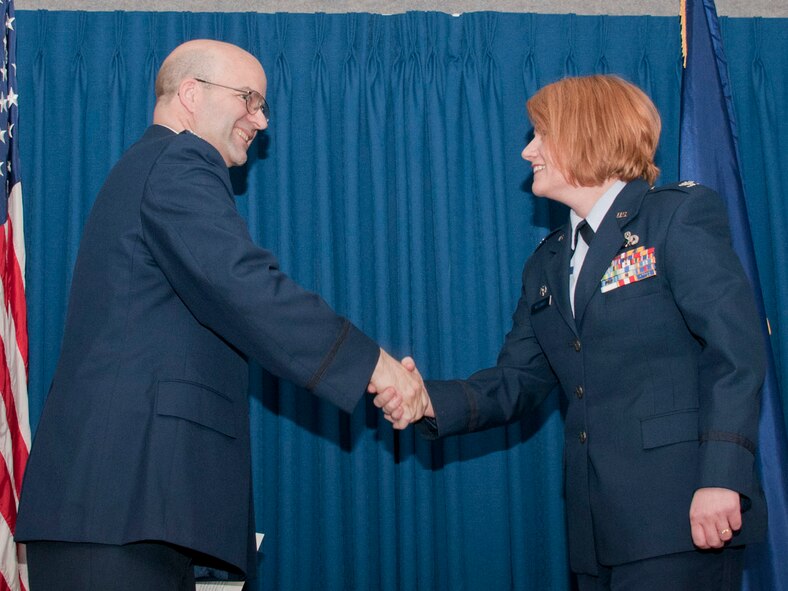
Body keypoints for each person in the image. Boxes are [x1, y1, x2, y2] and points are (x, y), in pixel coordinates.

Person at [16, 39, 428, 591]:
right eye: (250, 98)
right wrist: (377, 367)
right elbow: (247, 289)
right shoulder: (178, 161)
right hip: (118, 512)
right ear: (190, 94)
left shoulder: (151, 167)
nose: (261, 118)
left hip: (120, 513)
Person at [375, 75, 767, 590]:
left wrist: (721, 476)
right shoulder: (548, 261)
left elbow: (734, 351)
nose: (526, 151)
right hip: (597, 530)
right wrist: (427, 400)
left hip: (683, 515)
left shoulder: (675, 217)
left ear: (588, 133)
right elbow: (517, 380)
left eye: (540, 134)